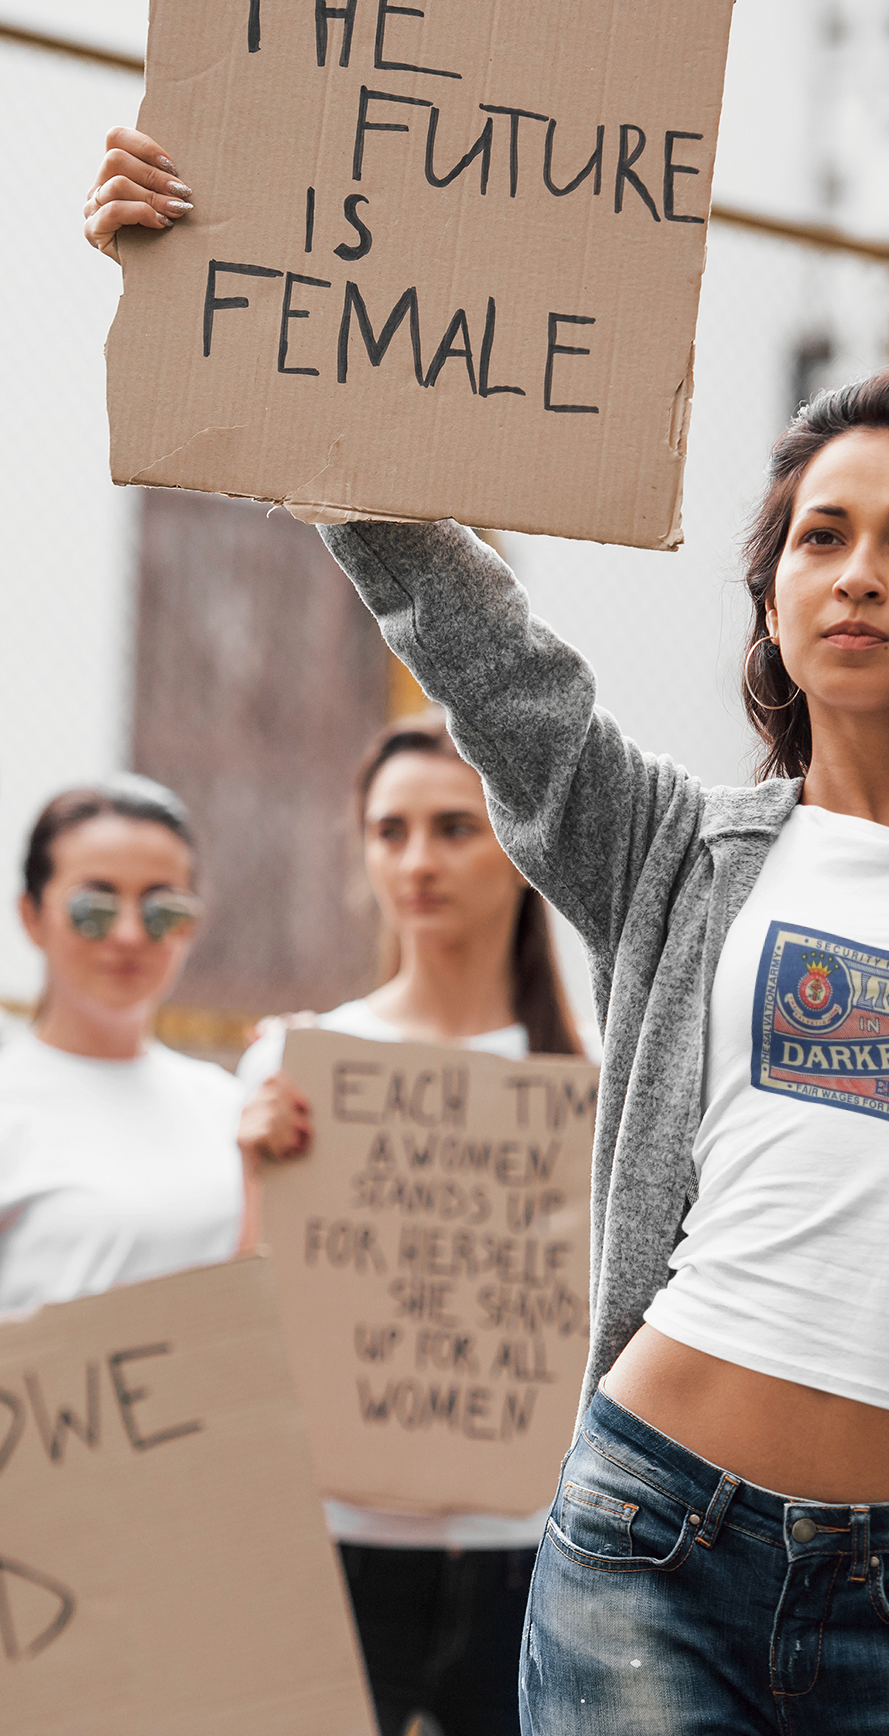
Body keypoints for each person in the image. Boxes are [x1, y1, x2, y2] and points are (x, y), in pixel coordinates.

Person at [89, 140, 889, 1736]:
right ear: (772, 596)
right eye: (818, 539)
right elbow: (482, 645)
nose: (856, 574)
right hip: (646, 1541)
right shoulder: (673, 852)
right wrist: (225, 282)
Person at [236, 708, 584, 1736]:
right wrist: (252, 1169)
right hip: (336, 1539)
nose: (417, 859)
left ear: (519, 844)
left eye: (453, 826)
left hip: (530, 1547)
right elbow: (250, 1318)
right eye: (390, 830)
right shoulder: (300, 1065)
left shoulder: (592, 1080)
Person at [0, 778, 245, 1315]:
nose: (131, 935)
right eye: (95, 907)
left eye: (163, 910)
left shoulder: (232, 1109)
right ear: (31, 916)